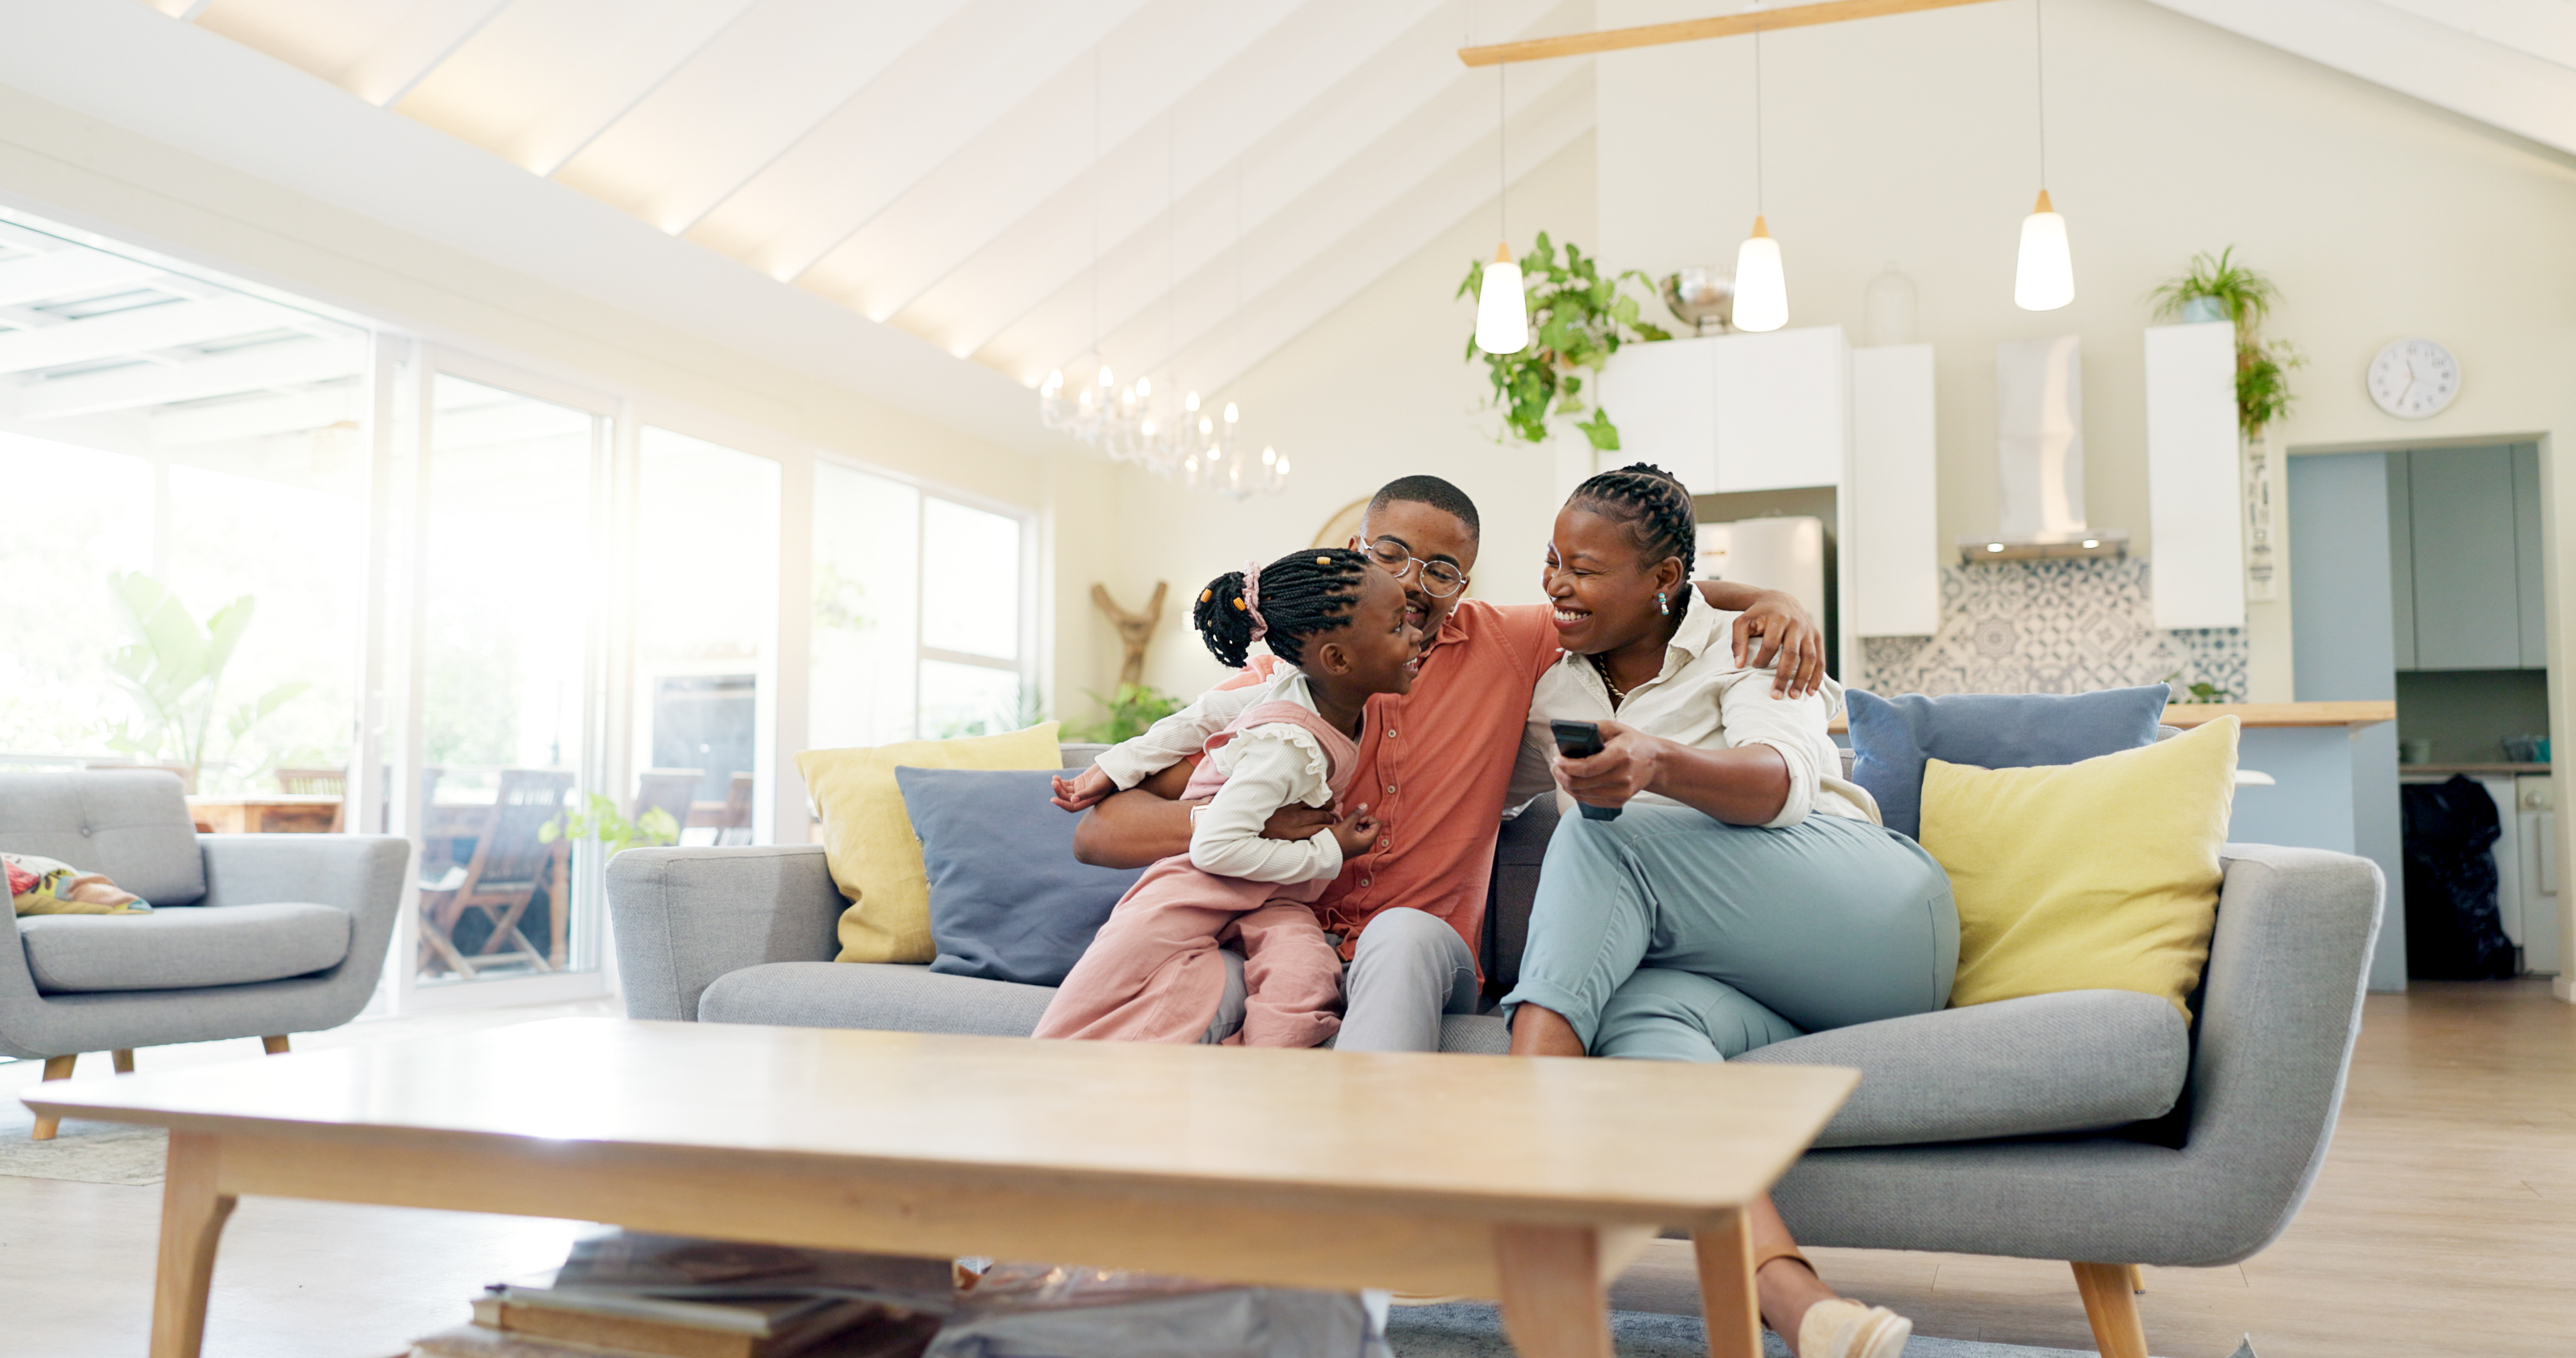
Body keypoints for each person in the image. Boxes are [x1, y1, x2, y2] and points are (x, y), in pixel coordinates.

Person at [1052, 474, 1826, 1052]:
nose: (1411, 583)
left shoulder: (1508, 642)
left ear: (1466, 583)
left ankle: (1372, 1213)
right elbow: (1101, 831)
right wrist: (1247, 821)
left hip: (1421, 947)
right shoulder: (1287, 675)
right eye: (1389, 555)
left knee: (1399, 934)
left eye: (1442, 569)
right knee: (1193, 999)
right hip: (1269, 937)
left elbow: (1631, 594)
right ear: (1356, 552)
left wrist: (1773, 598)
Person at [1502, 464, 1953, 1358]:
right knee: (1641, 1023)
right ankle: (1804, 1307)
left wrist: (1658, 765)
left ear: (1666, 580)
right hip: (1745, 974)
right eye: (1550, 560)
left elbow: (1782, 785)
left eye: (1583, 568)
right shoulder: (1550, 684)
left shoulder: (1749, 641)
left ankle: (1521, 1163)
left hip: (1874, 916)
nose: (1557, 582)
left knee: (1601, 829)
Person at [1034, 548, 1419, 1047]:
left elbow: (1205, 713)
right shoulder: (1286, 746)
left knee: (1305, 980)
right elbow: (1214, 848)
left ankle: (1256, 1092)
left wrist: (1114, 765)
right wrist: (1331, 850)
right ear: (1339, 660)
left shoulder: (1300, 689)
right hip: (1197, 888)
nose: (1414, 636)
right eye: (1396, 627)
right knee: (1090, 1018)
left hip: (1270, 895)